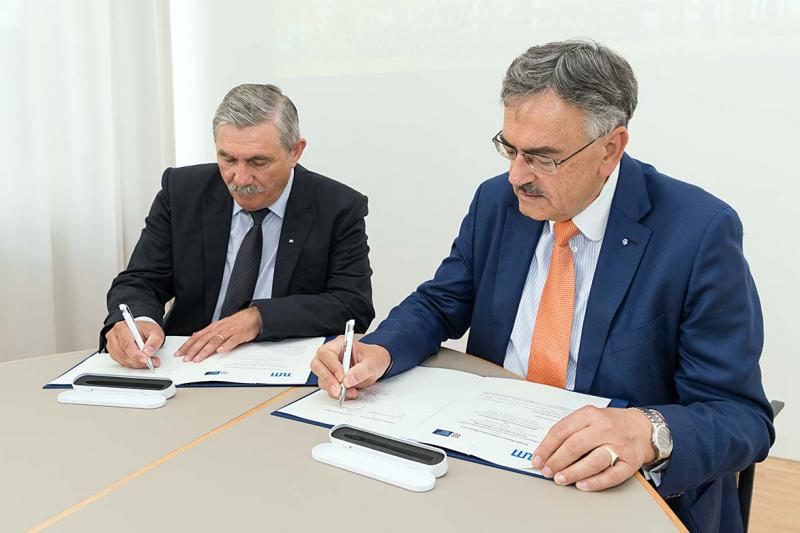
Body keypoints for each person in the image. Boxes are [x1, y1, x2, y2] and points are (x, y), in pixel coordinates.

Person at [310, 40, 773, 532]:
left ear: (610, 149)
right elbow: (442, 302)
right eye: (510, 149)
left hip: (609, 488)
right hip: (485, 457)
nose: (516, 176)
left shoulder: (697, 232)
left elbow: (740, 415)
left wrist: (648, 430)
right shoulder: (497, 202)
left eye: (542, 158)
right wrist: (379, 349)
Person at [102, 83, 374, 368]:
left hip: (284, 367)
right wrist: (137, 322)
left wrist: (259, 318)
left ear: (295, 151)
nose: (241, 178)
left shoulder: (337, 206)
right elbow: (141, 280)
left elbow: (352, 305)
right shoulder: (182, 192)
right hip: (187, 364)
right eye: (228, 159)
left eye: (258, 162)